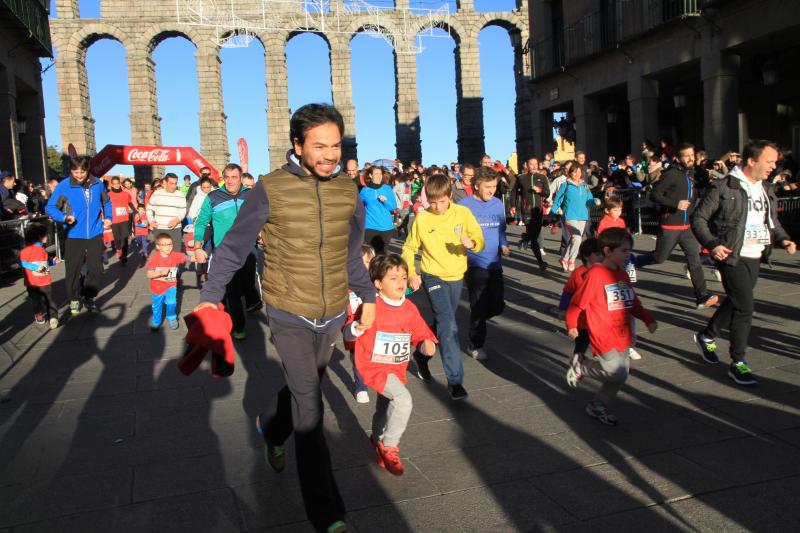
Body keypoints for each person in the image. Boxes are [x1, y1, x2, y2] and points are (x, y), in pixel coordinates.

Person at [194, 104, 375, 533]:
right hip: (288, 310)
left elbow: (351, 252)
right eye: (320, 146)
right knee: (310, 409)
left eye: (336, 145)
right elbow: (235, 247)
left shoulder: (349, 190)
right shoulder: (270, 188)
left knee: (302, 386)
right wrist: (209, 297)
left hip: (331, 310)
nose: (331, 154)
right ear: (297, 145)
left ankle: (272, 429)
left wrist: (366, 294)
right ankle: (328, 514)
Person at [692, 139, 796, 386]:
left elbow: (771, 222)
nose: (773, 166)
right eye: (769, 161)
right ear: (752, 160)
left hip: (756, 254)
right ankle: (738, 362)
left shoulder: (765, 188)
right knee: (745, 307)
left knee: (738, 300)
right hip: (731, 255)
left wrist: (783, 240)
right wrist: (713, 244)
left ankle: (707, 336)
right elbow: (698, 219)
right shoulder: (723, 186)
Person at [343, 253, 437, 476]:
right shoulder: (369, 304)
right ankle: (389, 446)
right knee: (403, 400)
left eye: (403, 278)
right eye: (393, 278)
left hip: (396, 366)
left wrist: (425, 345)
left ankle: (376, 439)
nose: (400, 282)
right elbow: (347, 332)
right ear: (378, 283)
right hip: (372, 365)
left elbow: (421, 333)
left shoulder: (409, 308)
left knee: (385, 407)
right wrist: (356, 327)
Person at [401, 173, 485, 400]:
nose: (437, 207)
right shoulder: (423, 218)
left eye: (442, 201)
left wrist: (473, 242)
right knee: (449, 325)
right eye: (433, 201)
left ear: (450, 196)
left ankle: (422, 353)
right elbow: (409, 249)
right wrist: (411, 273)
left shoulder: (462, 213)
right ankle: (455, 381)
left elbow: (479, 238)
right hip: (432, 275)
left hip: (456, 275)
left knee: (441, 321)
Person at [565, 228, 658, 425]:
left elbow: (633, 302)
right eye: (624, 251)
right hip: (603, 334)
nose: (628, 255)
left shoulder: (622, 275)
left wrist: (647, 318)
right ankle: (582, 366)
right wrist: (572, 324)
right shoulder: (596, 274)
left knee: (620, 375)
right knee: (617, 372)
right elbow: (577, 303)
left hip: (623, 333)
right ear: (607, 251)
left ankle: (598, 405)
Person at [636, 143, 719, 309]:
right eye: (686, 155)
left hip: (687, 227)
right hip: (670, 226)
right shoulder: (672, 174)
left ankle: (702, 296)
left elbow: (693, 197)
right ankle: (633, 261)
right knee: (660, 258)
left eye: (692, 155)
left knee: (694, 261)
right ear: (678, 158)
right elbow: (655, 195)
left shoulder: (690, 174)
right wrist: (675, 204)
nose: (691, 158)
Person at [45, 156, 112, 315]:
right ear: (71, 171)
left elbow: (107, 202)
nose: (79, 175)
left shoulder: (97, 184)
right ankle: (73, 299)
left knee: (96, 269)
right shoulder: (65, 186)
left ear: (88, 170)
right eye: (76, 172)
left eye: (82, 171)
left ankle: (89, 297)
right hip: (74, 233)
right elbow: (50, 207)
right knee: (73, 270)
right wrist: (64, 217)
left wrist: (108, 217)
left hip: (95, 232)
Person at [194, 163, 253, 339]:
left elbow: (264, 216)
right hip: (224, 252)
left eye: (234, 177)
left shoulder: (251, 195)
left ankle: (248, 302)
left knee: (247, 286)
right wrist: (197, 247)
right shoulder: (213, 197)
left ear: (241, 178)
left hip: (248, 249)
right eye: (226, 177)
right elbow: (201, 222)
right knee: (233, 291)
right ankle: (238, 326)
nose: (230, 181)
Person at [458, 166, 508, 361]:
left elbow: (501, 228)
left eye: (494, 186)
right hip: (474, 262)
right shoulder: (464, 206)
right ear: (477, 186)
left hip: (494, 261)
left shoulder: (497, 204)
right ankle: (475, 343)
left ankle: (478, 320)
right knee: (478, 304)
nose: (492, 190)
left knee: (497, 306)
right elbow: (457, 231)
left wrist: (504, 244)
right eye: (488, 186)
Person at [558, 238, 602, 365]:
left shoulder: (604, 271)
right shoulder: (578, 273)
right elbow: (568, 292)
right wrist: (563, 309)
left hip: (598, 318)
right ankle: (576, 363)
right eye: (598, 254)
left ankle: (601, 359)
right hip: (581, 320)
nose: (602, 257)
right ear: (587, 256)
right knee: (581, 344)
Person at [343, 244, 376, 403]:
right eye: (358, 262)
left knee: (370, 358)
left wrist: (410, 287)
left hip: (375, 329)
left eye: (367, 262)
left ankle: (372, 376)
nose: (362, 266)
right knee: (358, 357)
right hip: (355, 328)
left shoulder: (376, 283)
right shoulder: (345, 286)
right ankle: (361, 386)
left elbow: (396, 291)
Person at [552, 163, 600, 272]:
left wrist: (595, 201)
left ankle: (564, 258)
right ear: (570, 173)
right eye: (574, 171)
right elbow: (558, 199)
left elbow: (589, 199)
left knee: (575, 239)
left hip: (583, 216)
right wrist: (553, 211)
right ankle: (571, 260)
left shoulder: (585, 186)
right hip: (569, 215)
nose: (577, 174)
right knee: (577, 238)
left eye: (579, 172)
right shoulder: (566, 185)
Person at [146, 233, 194, 331]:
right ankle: (156, 321)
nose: (168, 247)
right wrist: (160, 273)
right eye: (165, 245)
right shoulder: (155, 258)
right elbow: (149, 274)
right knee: (157, 306)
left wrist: (197, 257)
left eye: (170, 244)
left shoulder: (174, 255)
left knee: (172, 302)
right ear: (158, 246)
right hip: (157, 287)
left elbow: (186, 258)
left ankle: (171, 317)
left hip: (171, 285)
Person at [19, 223, 62, 329]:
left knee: (49, 299)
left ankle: (53, 318)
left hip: (45, 280)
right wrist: (34, 267)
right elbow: (21, 262)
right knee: (36, 300)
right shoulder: (27, 250)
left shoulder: (42, 249)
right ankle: (39, 314)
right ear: (39, 236)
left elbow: (45, 262)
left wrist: (53, 262)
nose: (48, 237)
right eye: (46, 235)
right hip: (32, 282)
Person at [516, 157, 550, 270]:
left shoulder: (542, 177)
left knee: (535, 234)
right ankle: (541, 262)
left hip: (538, 210)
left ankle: (525, 237)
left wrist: (539, 191)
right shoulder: (521, 178)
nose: (534, 166)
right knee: (535, 238)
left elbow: (547, 193)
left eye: (536, 164)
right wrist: (512, 205)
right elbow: (514, 192)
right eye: (532, 164)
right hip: (526, 210)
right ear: (527, 165)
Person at [360, 166, 397, 254]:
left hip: (386, 227)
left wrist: (386, 201)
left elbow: (393, 207)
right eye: (376, 174)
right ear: (370, 175)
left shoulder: (387, 189)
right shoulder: (364, 191)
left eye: (380, 174)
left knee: (382, 254)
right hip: (370, 227)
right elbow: (358, 207)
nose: (379, 176)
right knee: (373, 254)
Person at [146, 173, 187, 250]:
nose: (173, 186)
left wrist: (178, 219)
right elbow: (149, 208)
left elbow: (183, 211)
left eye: (175, 183)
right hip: (159, 228)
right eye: (171, 183)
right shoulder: (157, 194)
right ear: (165, 182)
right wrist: (151, 220)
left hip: (175, 229)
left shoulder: (180, 195)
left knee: (175, 254)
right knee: (161, 255)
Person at [107, 176, 136, 265]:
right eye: (114, 184)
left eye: (117, 183)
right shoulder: (109, 194)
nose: (116, 185)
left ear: (120, 183)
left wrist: (136, 211)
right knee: (117, 238)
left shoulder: (125, 194)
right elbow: (105, 207)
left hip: (124, 218)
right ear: (111, 184)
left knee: (125, 238)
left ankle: (124, 255)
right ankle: (118, 248)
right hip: (114, 220)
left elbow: (130, 203)